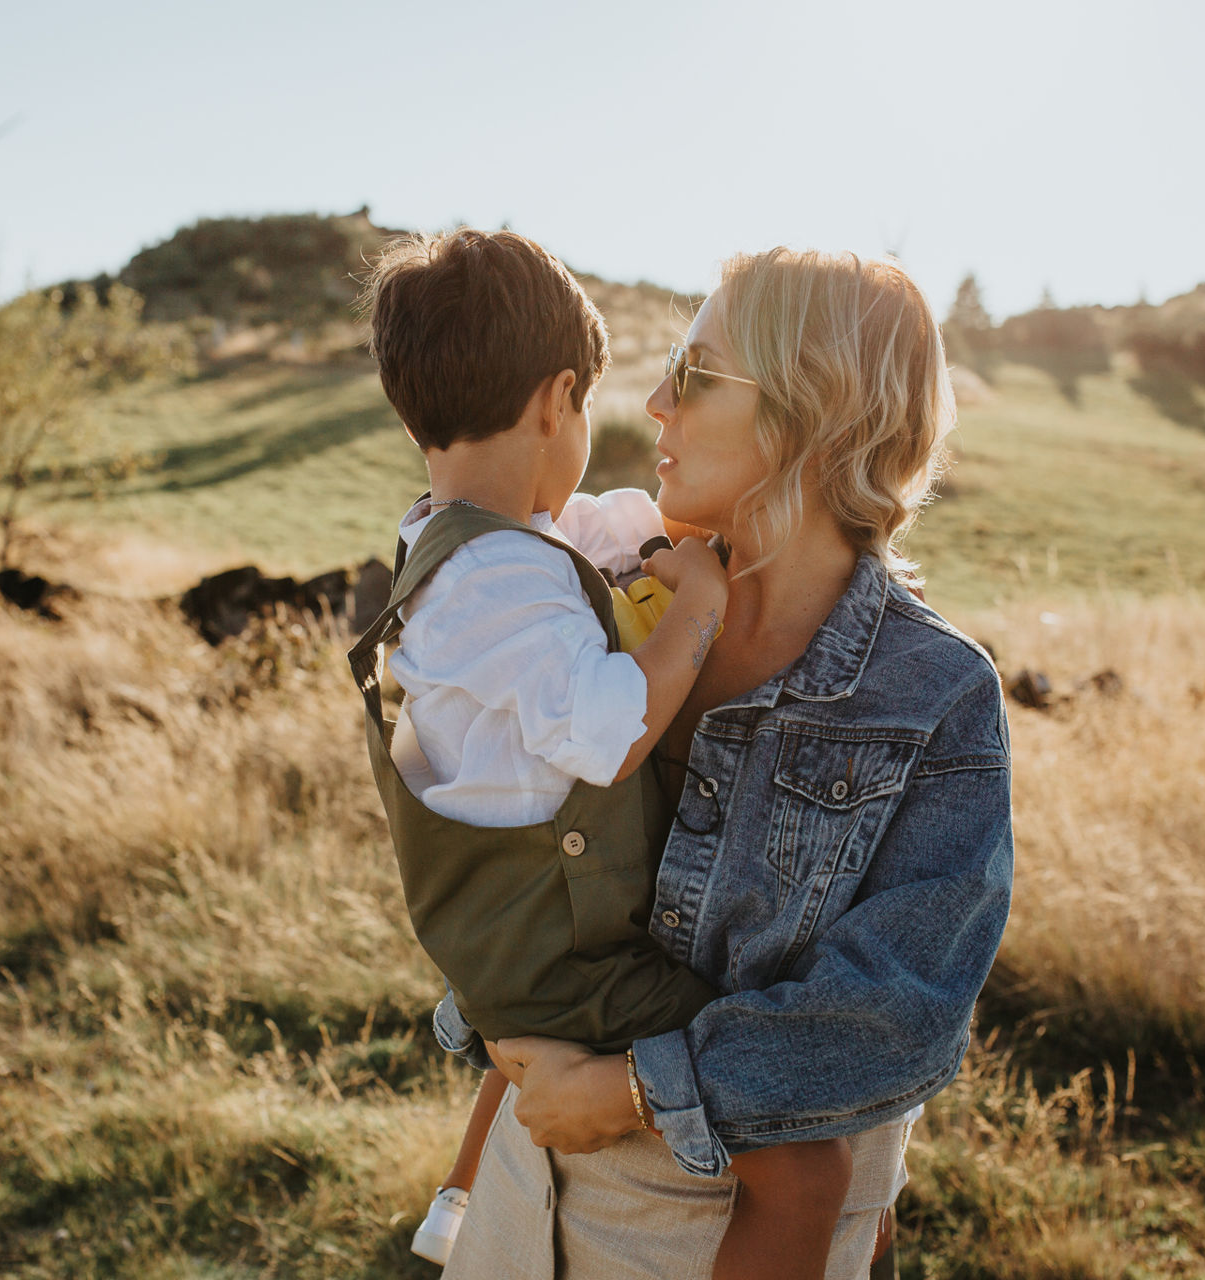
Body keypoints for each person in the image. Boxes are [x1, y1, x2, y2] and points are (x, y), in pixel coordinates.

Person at [439, 247, 1016, 1280]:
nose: (656, 402)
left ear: (813, 409)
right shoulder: (602, 598)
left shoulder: (934, 693)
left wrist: (633, 1089)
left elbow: (894, 1017)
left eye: (696, 373)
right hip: (521, 1201)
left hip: (715, 1235)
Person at [346, 228, 859, 1279]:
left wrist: (661, 535)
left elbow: (593, 527)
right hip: (567, 957)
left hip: (514, 933)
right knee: (800, 1144)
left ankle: (461, 1191)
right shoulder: (507, 579)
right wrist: (698, 609)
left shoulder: (464, 546)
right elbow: (613, 733)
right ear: (560, 402)